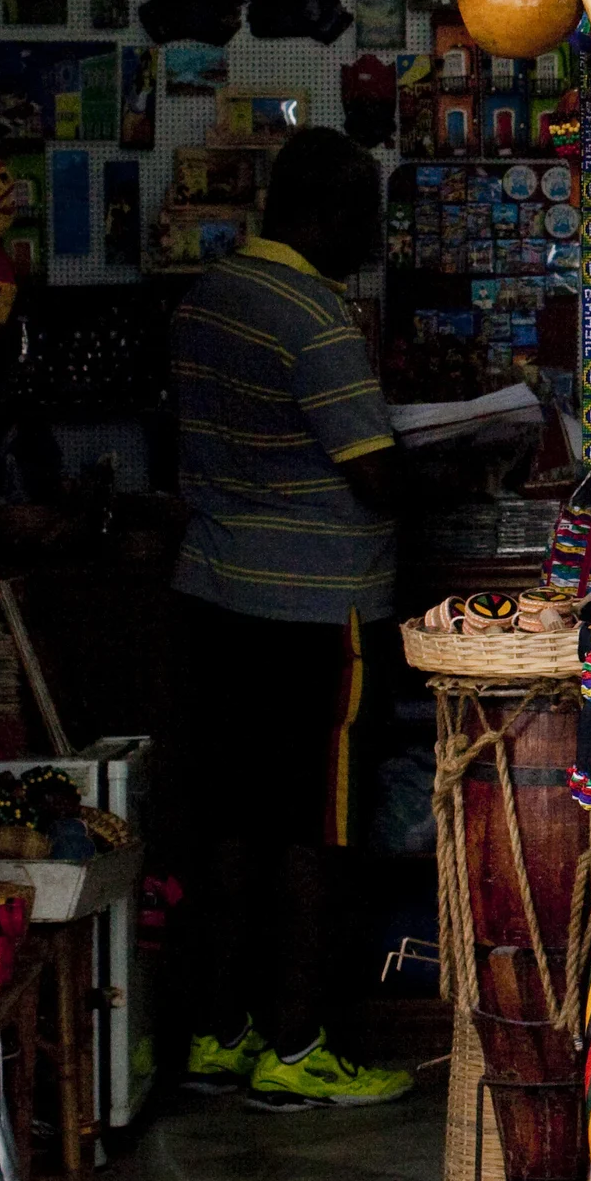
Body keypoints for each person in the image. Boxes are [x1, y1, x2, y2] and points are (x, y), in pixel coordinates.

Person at [167, 127, 411, 1110]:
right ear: (323, 213)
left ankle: (221, 1032)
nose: (373, 237)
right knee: (317, 825)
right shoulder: (313, 318)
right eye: (365, 216)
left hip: (216, 594)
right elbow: (376, 471)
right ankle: (301, 1045)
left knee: (232, 817)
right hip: (320, 609)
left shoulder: (207, 298)